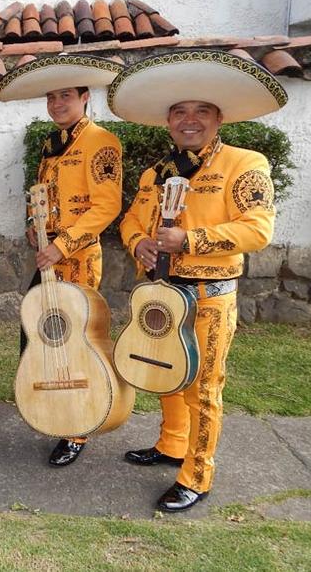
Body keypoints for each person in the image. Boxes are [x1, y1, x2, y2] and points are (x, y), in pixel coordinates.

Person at [109, 49, 286, 511]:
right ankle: (171, 446)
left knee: (203, 389)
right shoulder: (156, 173)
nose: (189, 120)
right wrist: (139, 244)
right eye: (180, 113)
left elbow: (258, 230)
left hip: (209, 297)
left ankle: (197, 475)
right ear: (168, 122)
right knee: (167, 376)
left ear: (218, 117)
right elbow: (131, 221)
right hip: (164, 293)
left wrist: (188, 240)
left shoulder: (246, 164)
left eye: (200, 111)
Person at [0, 54, 124, 467]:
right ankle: (51, 407)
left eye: (65, 96)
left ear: (85, 97)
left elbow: (106, 206)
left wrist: (63, 244)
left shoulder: (101, 141)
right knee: (40, 338)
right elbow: (43, 199)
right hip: (49, 258)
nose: (56, 104)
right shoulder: (52, 145)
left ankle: (77, 430)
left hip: (78, 260)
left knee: (76, 345)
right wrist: (35, 228)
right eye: (51, 97)